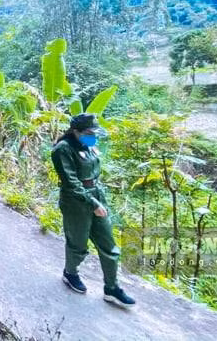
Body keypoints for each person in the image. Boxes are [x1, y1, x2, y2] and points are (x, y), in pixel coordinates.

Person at [51, 113, 135, 307]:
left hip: (96, 194)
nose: (93, 136)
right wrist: (93, 204)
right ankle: (70, 273)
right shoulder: (63, 149)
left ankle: (112, 288)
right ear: (76, 131)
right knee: (78, 244)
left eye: (95, 132)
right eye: (89, 132)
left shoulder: (89, 145)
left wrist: (98, 199)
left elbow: (93, 173)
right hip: (75, 202)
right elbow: (71, 182)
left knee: (109, 244)